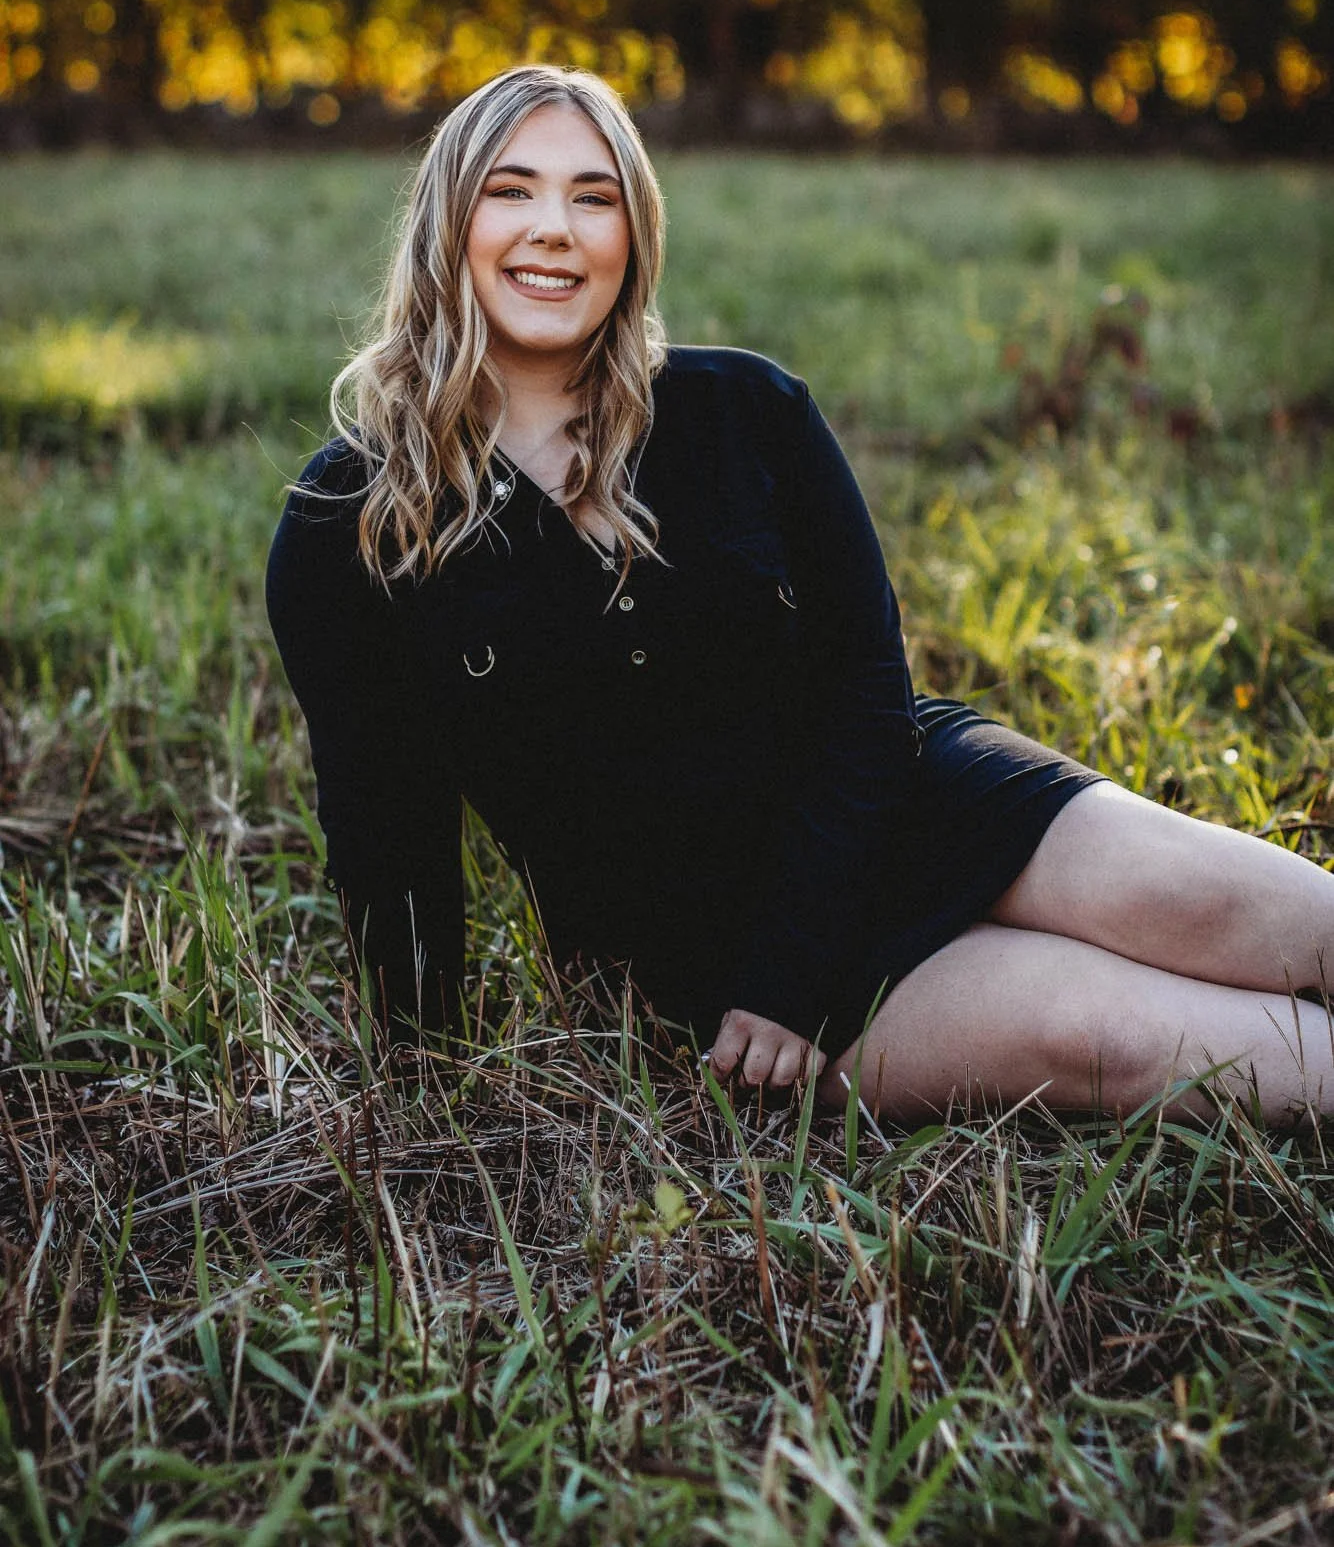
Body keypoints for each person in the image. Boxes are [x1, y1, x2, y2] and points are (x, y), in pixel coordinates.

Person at [266, 64, 1334, 1124]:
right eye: (511, 190)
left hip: (920, 801)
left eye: (594, 197)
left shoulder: (748, 412)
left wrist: (800, 946)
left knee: (1242, 907)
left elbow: (868, 687)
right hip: (722, 968)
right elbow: (387, 836)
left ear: (633, 235)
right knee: (1120, 1034)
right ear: (447, 222)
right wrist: (422, 1097)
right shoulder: (352, 520)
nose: (554, 228)